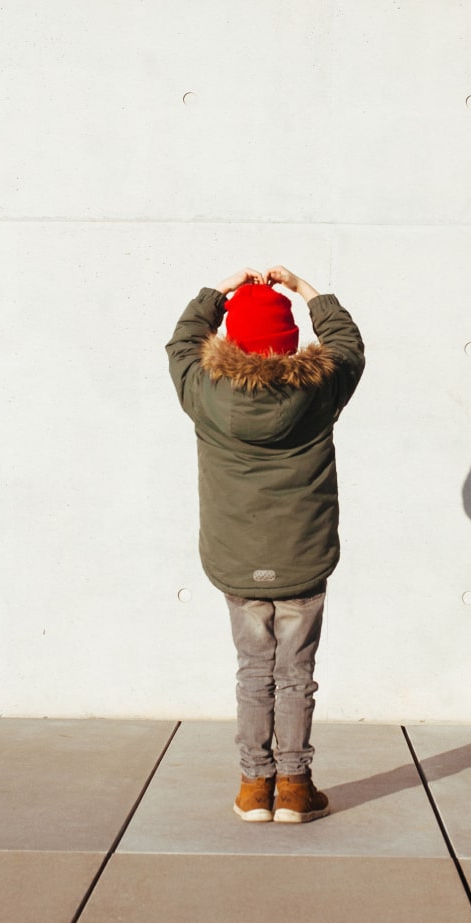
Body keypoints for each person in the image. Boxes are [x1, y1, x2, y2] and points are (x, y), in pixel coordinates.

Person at [166, 265, 365, 823]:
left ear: (231, 337)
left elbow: (181, 343)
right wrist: (304, 290)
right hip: (303, 557)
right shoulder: (321, 387)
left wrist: (218, 293)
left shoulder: (204, 390)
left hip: (236, 557)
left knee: (254, 671)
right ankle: (295, 788)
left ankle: (256, 786)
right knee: (296, 673)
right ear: (291, 341)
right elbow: (348, 343)